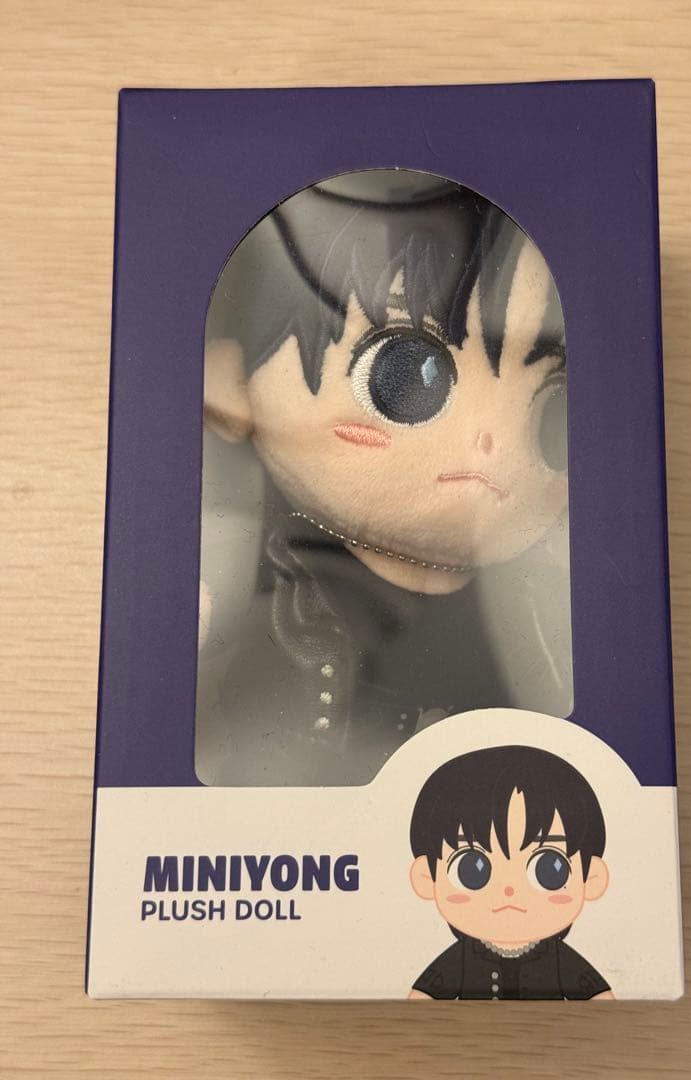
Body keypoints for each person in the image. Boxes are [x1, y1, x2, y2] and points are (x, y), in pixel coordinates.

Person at [197, 171, 572, 786]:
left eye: (551, 408)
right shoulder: (251, 578)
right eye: (406, 375)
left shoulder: (529, 606)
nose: (494, 442)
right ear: (230, 387)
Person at [408, 745, 613, 1000]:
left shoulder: (560, 960)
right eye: (471, 869)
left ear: (591, 878)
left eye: (549, 869)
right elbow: (420, 999)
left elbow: (602, 1001)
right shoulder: (460, 959)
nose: (509, 889)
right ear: (426, 877)